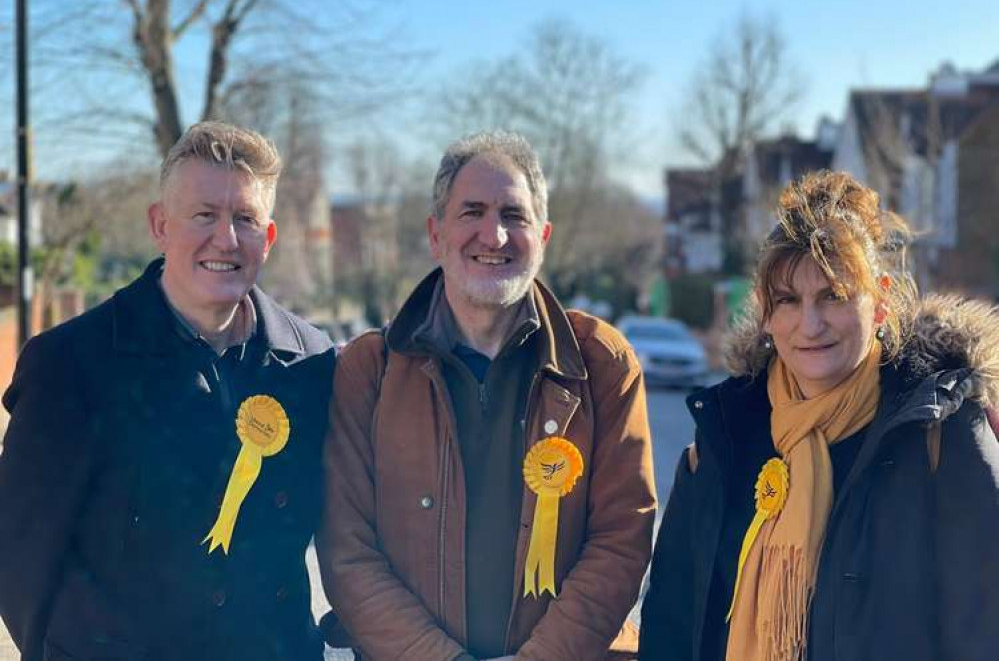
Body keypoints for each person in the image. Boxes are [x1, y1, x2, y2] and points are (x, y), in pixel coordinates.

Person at [0, 122, 335, 661]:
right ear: (160, 225)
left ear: (267, 239)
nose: (225, 238)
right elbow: (19, 557)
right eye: (204, 215)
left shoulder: (314, 363)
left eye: (245, 219)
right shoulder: (71, 364)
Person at [318, 131, 656, 661]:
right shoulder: (369, 370)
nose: (493, 235)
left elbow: (621, 537)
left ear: (542, 235)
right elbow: (346, 549)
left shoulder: (602, 364)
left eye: (514, 216)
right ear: (436, 234)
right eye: (471, 211)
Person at [639, 170, 999, 661]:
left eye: (834, 294)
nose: (810, 324)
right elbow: (673, 617)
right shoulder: (726, 432)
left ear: (879, 301)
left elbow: (983, 630)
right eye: (788, 300)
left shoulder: (941, 427)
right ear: (766, 313)